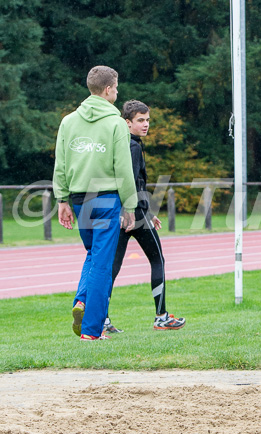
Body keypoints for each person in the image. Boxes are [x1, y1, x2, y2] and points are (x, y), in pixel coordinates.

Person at [52, 66, 137, 341]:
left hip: (79, 198)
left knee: (93, 254)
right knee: (102, 263)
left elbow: (61, 164)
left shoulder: (68, 122)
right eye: (117, 87)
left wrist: (62, 199)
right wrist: (131, 205)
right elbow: (123, 169)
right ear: (108, 90)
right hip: (106, 197)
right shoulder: (115, 124)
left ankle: (82, 300)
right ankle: (91, 330)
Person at [106, 100, 186, 332]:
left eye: (148, 120)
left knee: (112, 267)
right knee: (158, 260)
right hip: (133, 214)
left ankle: (102, 318)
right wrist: (137, 212)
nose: (146, 124)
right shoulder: (133, 147)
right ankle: (161, 316)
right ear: (127, 122)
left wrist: (148, 213)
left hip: (125, 212)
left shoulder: (122, 144)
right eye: (140, 120)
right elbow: (130, 181)